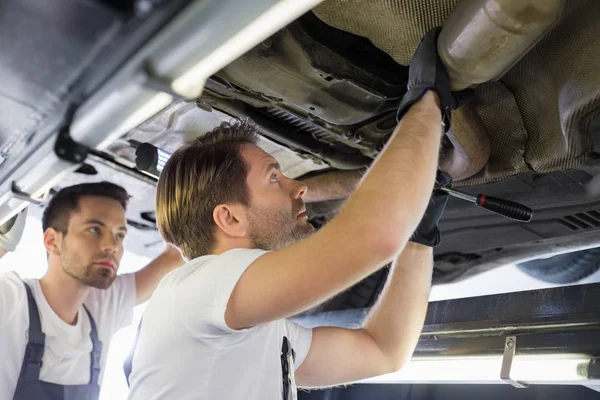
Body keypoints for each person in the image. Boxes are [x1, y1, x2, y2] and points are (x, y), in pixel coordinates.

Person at [127, 28, 460, 399]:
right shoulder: (193, 288)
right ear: (229, 218)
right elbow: (373, 239)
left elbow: (383, 349)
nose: (299, 187)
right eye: (274, 177)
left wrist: (418, 239)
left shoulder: (254, 326)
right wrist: (425, 106)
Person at [0, 182, 189, 400]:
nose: (112, 245)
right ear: (52, 241)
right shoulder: (11, 301)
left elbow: (176, 255)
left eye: (119, 235)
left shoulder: (102, 306)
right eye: (94, 229)